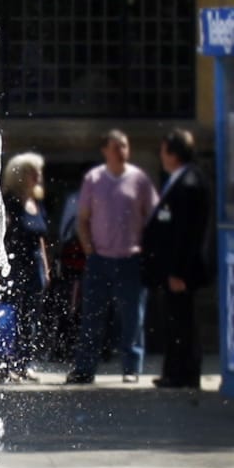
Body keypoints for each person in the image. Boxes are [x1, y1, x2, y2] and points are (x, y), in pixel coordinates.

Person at [66, 129, 158, 383]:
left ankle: (131, 368)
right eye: (116, 147)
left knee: (132, 318)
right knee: (92, 316)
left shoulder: (139, 179)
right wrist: (88, 249)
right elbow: (82, 219)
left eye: (125, 146)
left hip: (130, 258)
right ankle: (85, 368)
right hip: (99, 259)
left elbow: (153, 215)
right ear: (105, 150)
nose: (121, 152)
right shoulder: (94, 179)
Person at [142, 128, 211, 389]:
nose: (161, 156)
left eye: (163, 151)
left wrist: (178, 272)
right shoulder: (178, 180)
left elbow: (187, 233)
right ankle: (174, 371)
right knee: (174, 320)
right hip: (172, 267)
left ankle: (184, 373)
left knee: (183, 321)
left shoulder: (190, 183)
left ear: (173, 153)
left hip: (182, 269)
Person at [0, 151, 50, 381]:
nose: (37, 176)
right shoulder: (8, 203)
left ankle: (23, 363)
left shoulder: (35, 203)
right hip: (13, 266)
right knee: (8, 318)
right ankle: (2, 366)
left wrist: (45, 268)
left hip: (34, 267)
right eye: (31, 172)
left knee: (30, 319)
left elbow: (40, 239)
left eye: (38, 171)